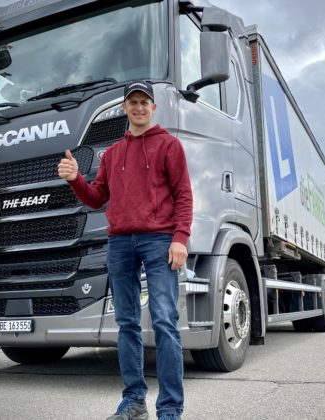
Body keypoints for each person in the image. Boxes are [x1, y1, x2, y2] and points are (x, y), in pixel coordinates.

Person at [57, 80, 192, 420]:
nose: (139, 107)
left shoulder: (169, 145)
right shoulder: (113, 154)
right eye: (133, 102)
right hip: (119, 243)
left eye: (144, 102)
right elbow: (96, 198)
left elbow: (183, 195)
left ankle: (170, 409)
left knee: (164, 320)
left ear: (153, 107)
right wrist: (75, 179)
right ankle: (133, 402)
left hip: (159, 240)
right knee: (127, 323)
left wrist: (180, 238)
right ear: (124, 108)